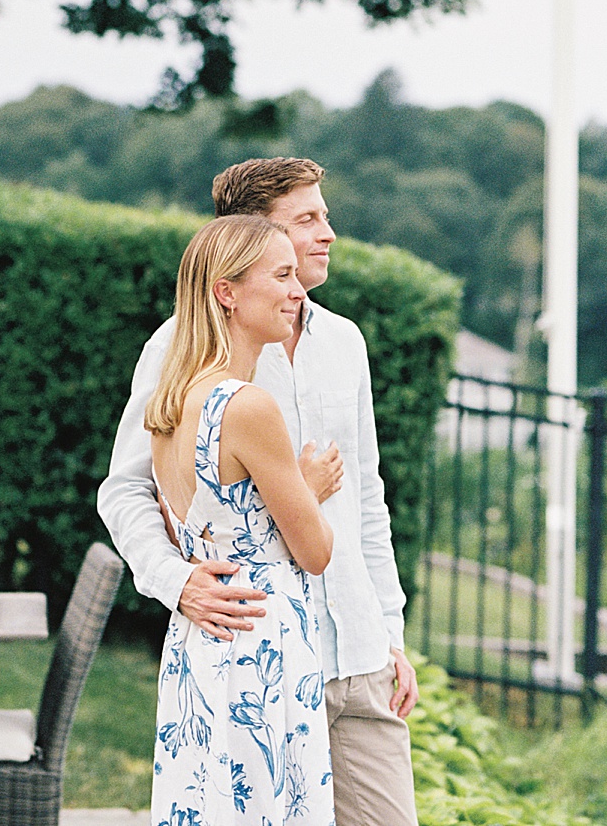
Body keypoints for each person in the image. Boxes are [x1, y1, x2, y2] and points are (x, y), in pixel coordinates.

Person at [99, 157, 420, 826]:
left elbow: (365, 499)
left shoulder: (346, 342)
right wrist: (173, 579)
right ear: (250, 235)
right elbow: (128, 489)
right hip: (250, 649)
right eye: (306, 220)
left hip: (354, 655)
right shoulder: (179, 351)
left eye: (324, 216)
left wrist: (389, 628)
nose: (328, 233)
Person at [145, 213, 334, 824]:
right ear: (226, 291)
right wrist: (306, 488)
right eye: (280, 276)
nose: (296, 290)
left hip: (202, 646)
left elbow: (195, 529)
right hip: (261, 641)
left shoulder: (172, 402)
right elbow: (315, 551)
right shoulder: (248, 406)